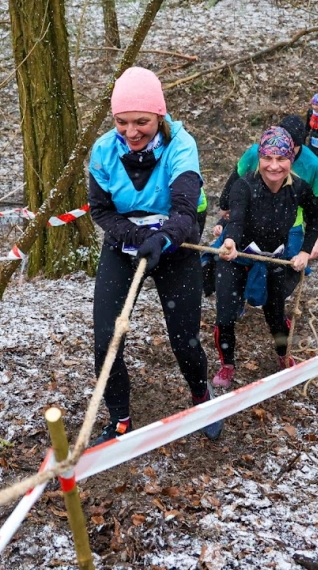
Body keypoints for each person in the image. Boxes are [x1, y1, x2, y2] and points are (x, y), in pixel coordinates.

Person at [87, 66, 222, 445]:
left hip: (175, 247)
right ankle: (119, 419)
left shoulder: (181, 145)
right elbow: (101, 210)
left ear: (159, 116)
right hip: (123, 246)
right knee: (106, 339)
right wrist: (134, 235)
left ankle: (201, 398)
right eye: (121, 122)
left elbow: (184, 210)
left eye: (142, 122)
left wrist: (161, 239)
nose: (131, 132)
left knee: (184, 339)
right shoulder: (102, 151)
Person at [210, 127, 318, 389]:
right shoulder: (244, 185)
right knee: (226, 314)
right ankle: (227, 364)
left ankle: (283, 356)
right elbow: (236, 219)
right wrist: (230, 241)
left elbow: (316, 216)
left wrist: (305, 252)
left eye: (281, 159)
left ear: (290, 161)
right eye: (268, 158)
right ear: (259, 158)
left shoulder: (298, 188)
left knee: (275, 314)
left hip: (274, 259)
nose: (274, 166)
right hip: (236, 256)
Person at [216, 114, 318, 260]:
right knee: (218, 257)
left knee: (289, 267)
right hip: (252, 216)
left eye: (291, 148)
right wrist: (225, 206)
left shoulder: (313, 164)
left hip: (291, 223)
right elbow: (236, 178)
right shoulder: (255, 153)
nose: (279, 155)